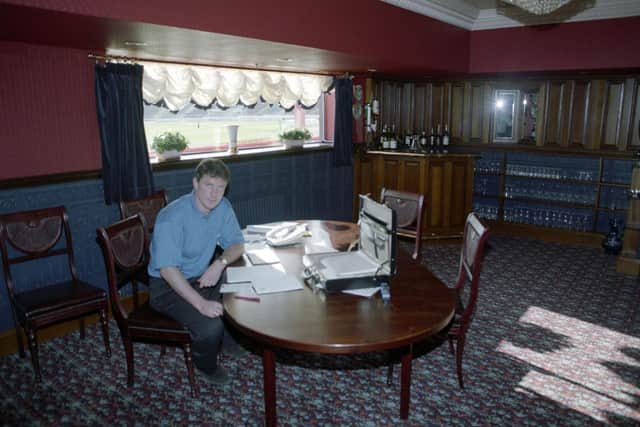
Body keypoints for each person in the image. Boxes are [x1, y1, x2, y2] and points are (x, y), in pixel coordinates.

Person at [148, 159, 245, 385]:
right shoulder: (172, 217)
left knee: (242, 287)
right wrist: (201, 304)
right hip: (167, 287)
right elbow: (168, 270)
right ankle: (206, 366)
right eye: (209, 185)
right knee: (210, 325)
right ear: (195, 183)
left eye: (220, 187)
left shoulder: (223, 207)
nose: (214, 194)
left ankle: (228, 342)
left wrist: (219, 263)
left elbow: (237, 245)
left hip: (200, 277)